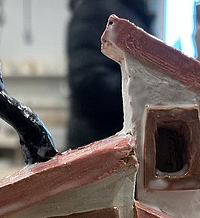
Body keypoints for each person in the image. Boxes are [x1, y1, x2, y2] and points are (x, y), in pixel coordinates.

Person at [66, 0, 154, 149]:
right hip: (101, 144)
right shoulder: (95, 8)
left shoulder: (129, 9)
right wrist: (149, 87)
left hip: (120, 142)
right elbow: (87, 83)